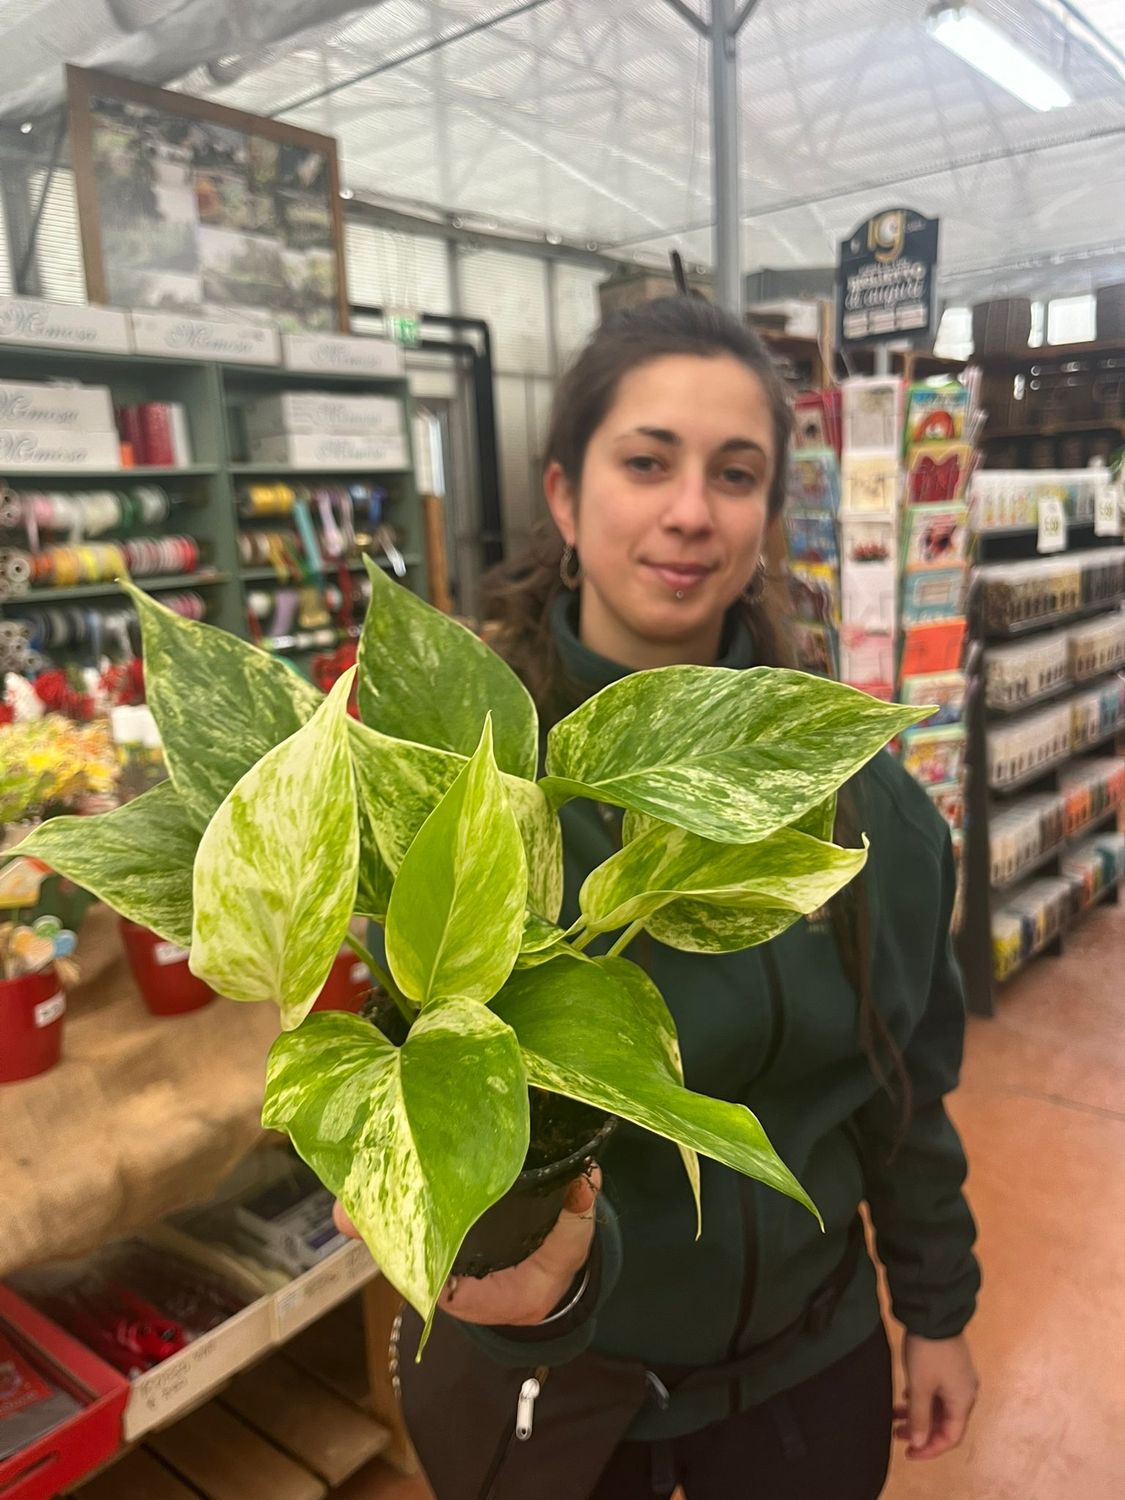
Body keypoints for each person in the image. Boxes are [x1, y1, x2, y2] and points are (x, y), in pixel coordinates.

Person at [338, 296, 980, 1499]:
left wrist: (938, 1305)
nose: (691, 510)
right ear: (567, 499)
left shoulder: (861, 809)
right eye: (648, 462)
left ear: (767, 517)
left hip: (804, 1365)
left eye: (735, 474)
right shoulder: (464, 793)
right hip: (557, 1391)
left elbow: (903, 1090)